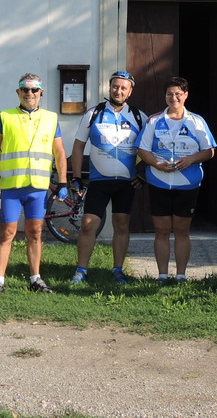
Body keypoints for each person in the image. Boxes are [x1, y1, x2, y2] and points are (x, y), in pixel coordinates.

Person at [0, 73, 68, 298]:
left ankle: (35, 277)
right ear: (18, 92)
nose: (29, 94)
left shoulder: (51, 118)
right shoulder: (5, 116)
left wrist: (63, 181)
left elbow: (59, 151)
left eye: (34, 90)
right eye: (25, 89)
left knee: (35, 232)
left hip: (38, 187)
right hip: (12, 186)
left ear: (41, 92)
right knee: (7, 233)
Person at [68, 70, 147, 286]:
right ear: (109, 87)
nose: (118, 90)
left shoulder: (140, 117)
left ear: (130, 91)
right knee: (87, 224)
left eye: (123, 88)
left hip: (126, 182)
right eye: (115, 86)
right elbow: (78, 146)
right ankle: (81, 270)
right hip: (99, 181)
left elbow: (151, 149)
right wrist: (76, 177)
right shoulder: (93, 113)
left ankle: (118, 270)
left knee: (121, 225)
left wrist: (144, 174)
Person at [135, 76, 216, 284]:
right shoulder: (154, 120)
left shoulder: (196, 121)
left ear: (186, 95)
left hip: (187, 183)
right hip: (159, 181)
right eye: (170, 94)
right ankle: (162, 275)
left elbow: (209, 151)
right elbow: (142, 149)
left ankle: (181, 275)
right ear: (165, 96)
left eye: (178, 94)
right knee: (161, 230)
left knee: (181, 230)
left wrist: (191, 159)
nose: (174, 98)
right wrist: (156, 164)